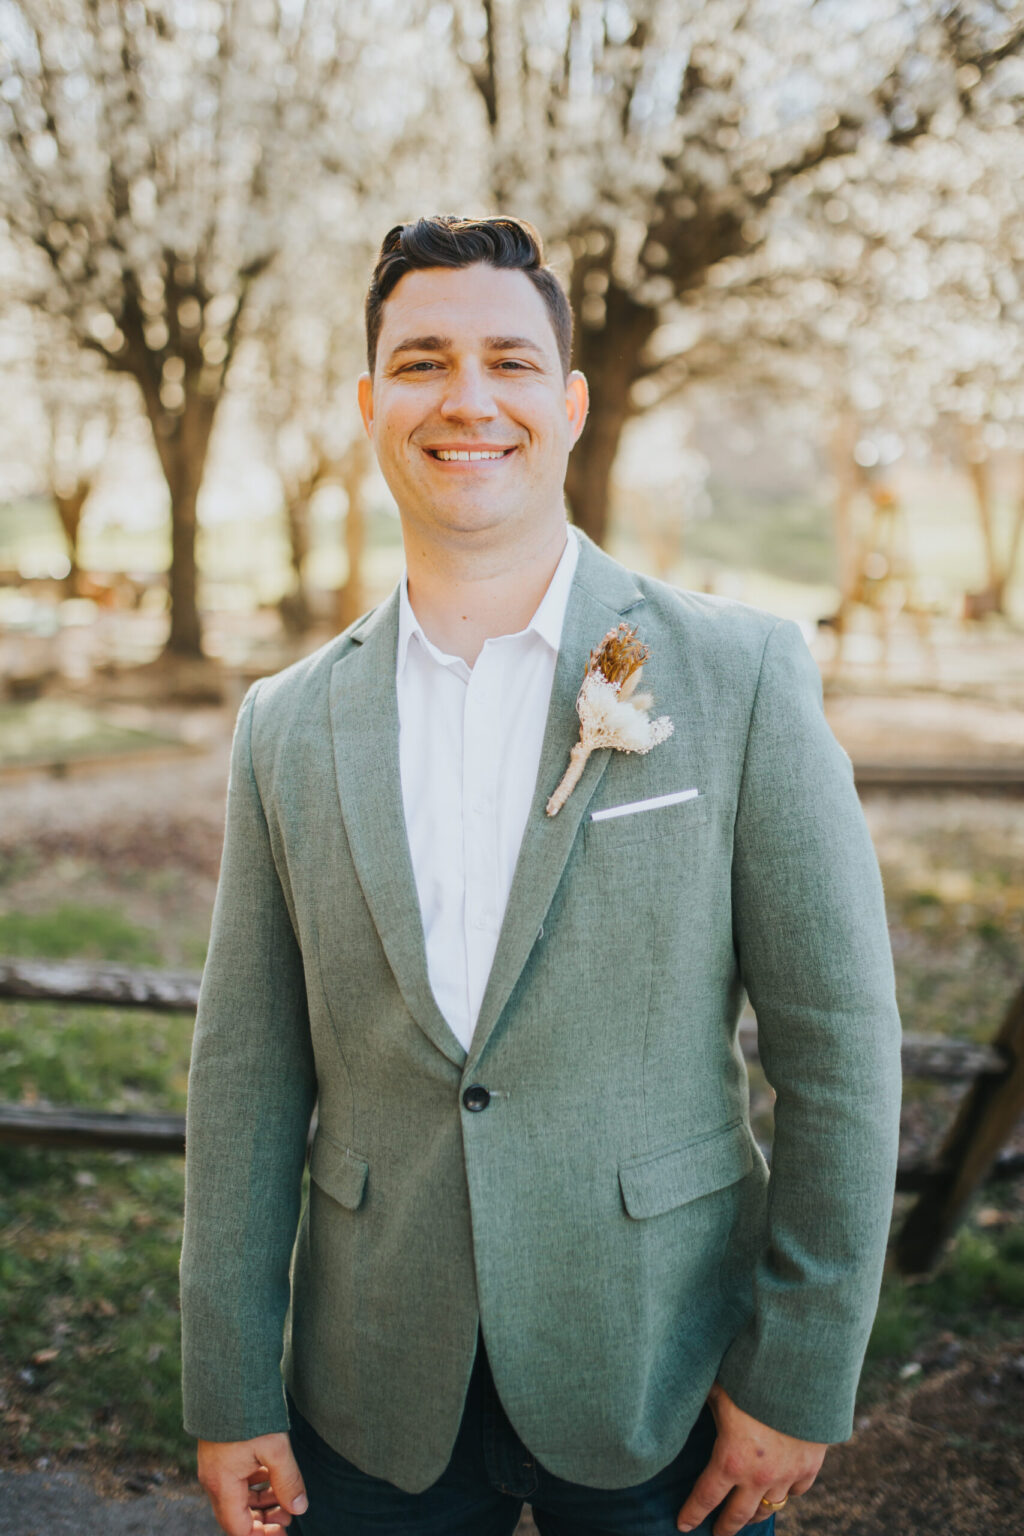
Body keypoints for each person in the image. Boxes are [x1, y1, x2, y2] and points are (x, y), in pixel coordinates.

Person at [180, 215, 902, 1536]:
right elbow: (246, 1075)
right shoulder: (284, 723)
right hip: (371, 1392)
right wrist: (228, 1386)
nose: (468, 400)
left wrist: (799, 1376)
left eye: (510, 362)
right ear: (369, 403)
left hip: (659, 1376)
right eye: (422, 362)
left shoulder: (738, 677)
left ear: (566, 405)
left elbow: (839, 1049)